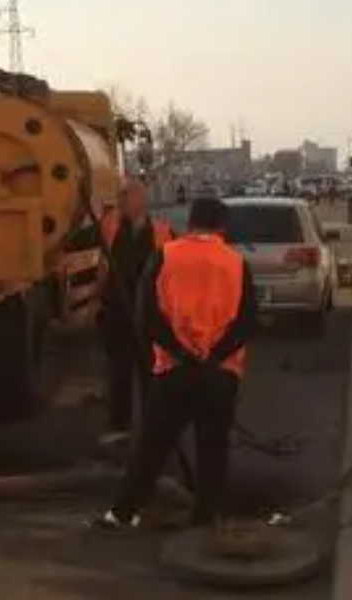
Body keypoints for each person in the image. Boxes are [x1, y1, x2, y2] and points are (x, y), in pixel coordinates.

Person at [93, 197, 258, 529]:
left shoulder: (165, 255)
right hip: (220, 373)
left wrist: (181, 352)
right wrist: (213, 355)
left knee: (152, 446)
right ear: (221, 226)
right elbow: (247, 321)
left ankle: (123, 513)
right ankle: (206, 515)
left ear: (191, 221)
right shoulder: (236, 263)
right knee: (212, 447)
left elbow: (148, 316)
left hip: (174, 372)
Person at [98, 178, 174, 433]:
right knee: (119, 374)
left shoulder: (163, 232)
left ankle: (154, 429)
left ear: (141, 200)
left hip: (149, 317)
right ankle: (119, 428)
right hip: (117, 314)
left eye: (126, 195)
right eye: (120, 195)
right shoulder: (110, 227)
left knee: (151, 375)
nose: (120, 200)